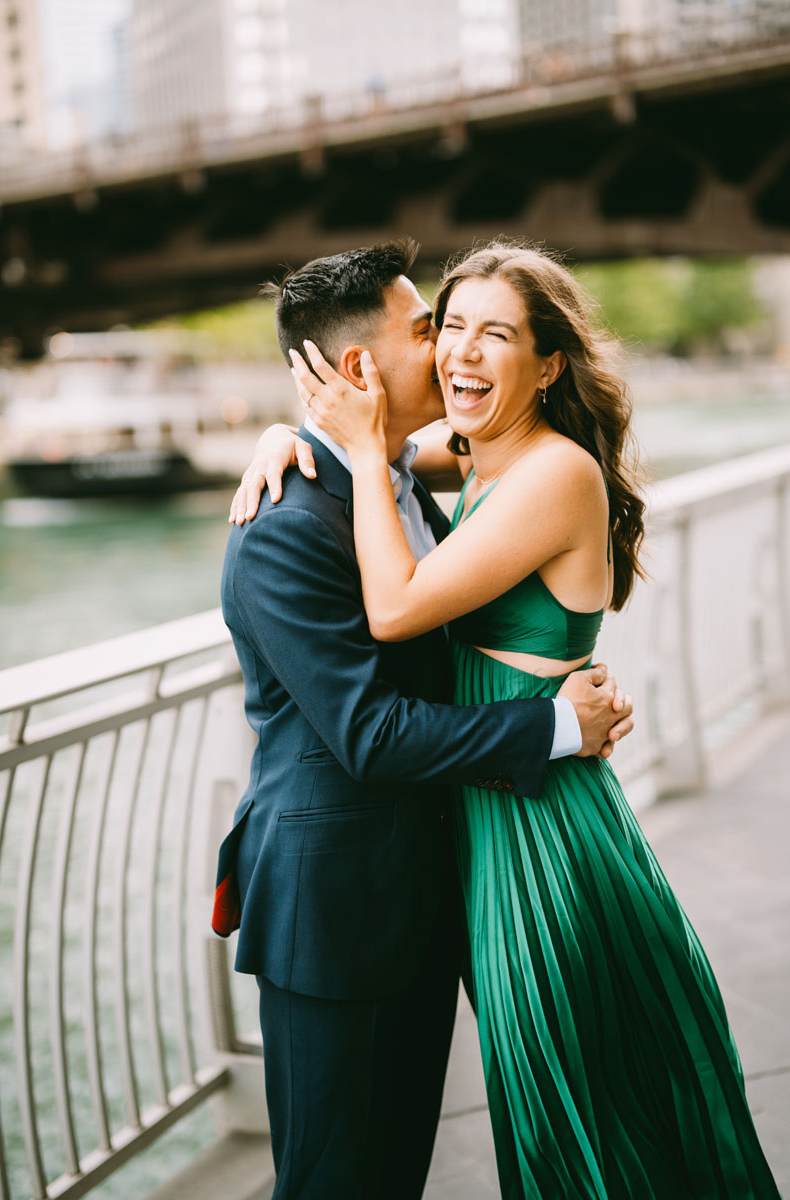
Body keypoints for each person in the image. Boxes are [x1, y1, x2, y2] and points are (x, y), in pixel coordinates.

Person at [255, 240, 780, 1197]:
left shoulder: (552, 474)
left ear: (548, 364)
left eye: (493, 333)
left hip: (542, 827)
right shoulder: (467, 453)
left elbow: (396, 609)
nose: (458, 351)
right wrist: (286, 438)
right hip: (483, 817)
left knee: (586, 1103)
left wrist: (361, 450)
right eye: (447, 326)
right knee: (550, 1109)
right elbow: (345, 454)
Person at [213, 240, 634, 1200]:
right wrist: (555, 729)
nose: (449, 350)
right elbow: (368, 734)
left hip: (423, 890)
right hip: (339, 915)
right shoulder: (285, 528)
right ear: (361, 370)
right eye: (431, 330)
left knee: (391, 1171)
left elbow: (489, 450)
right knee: (333, 1182)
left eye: (468, 330)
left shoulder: (399, 471)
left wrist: (315, 435)